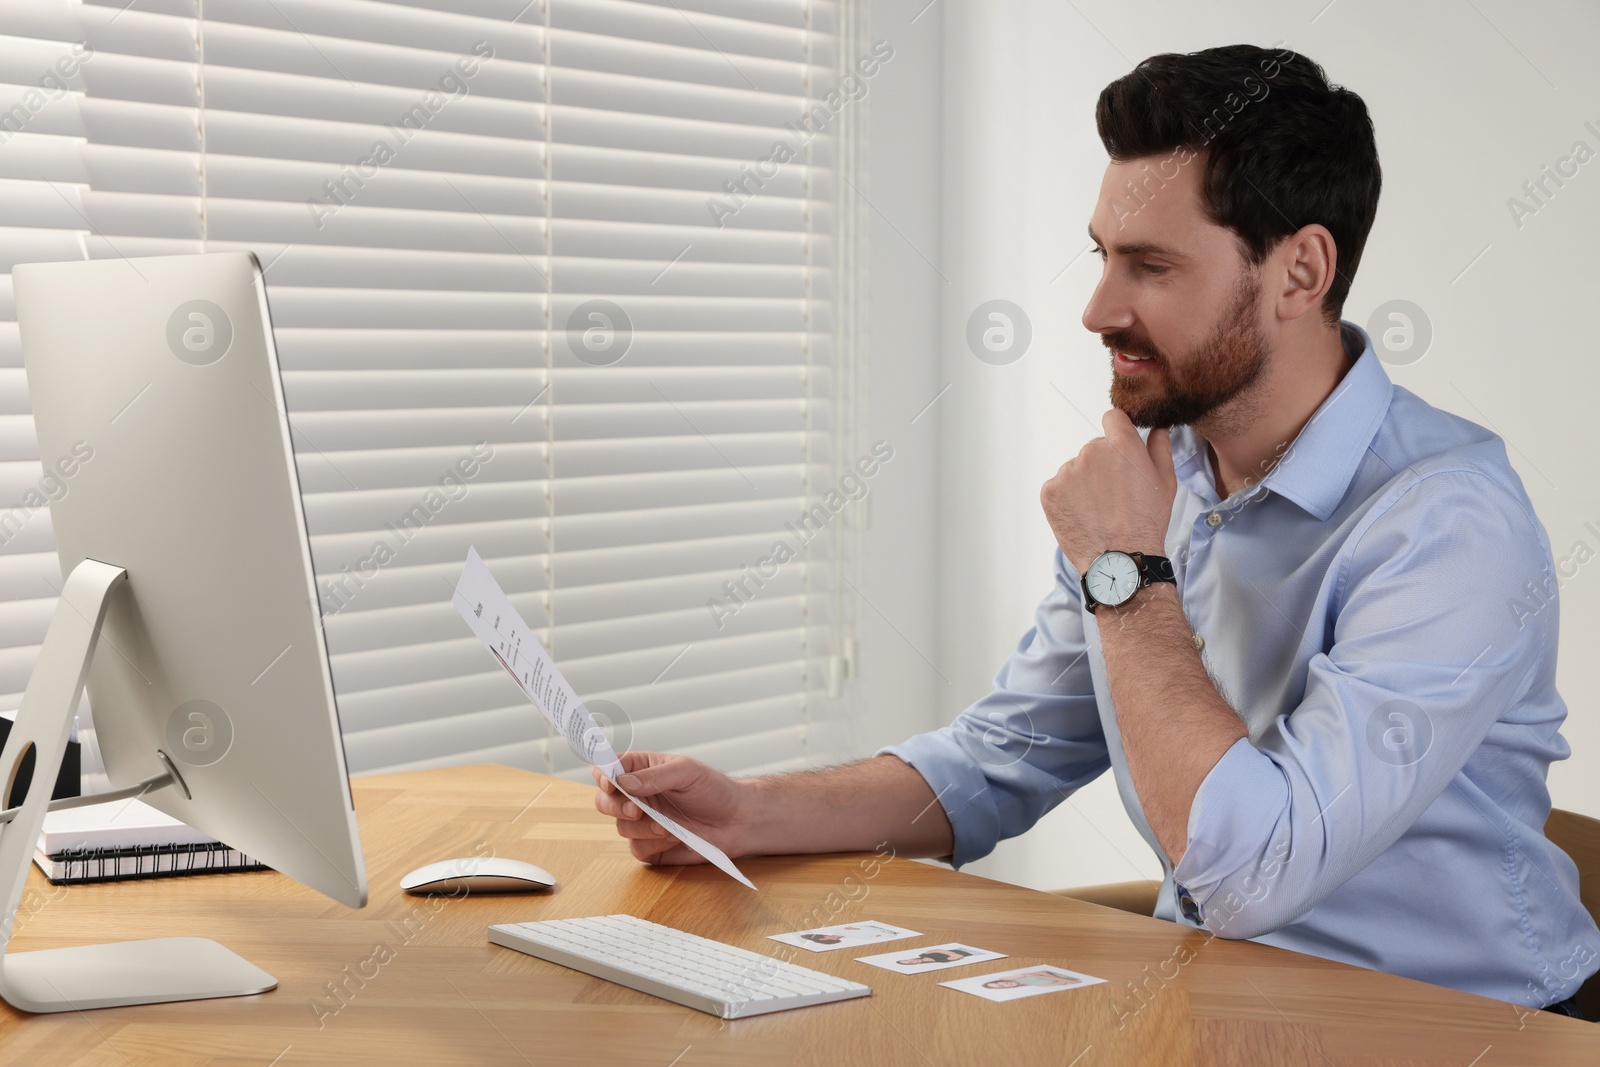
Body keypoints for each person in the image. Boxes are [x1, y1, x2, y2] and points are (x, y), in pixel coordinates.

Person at [592, 43, 1600, 1019]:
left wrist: (1125, 568)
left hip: (1453, 1029)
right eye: (1101, 255)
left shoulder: (1446, 524)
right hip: (1215, 1002)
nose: (1095, 308)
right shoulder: (1164, 476)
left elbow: (1252, 874)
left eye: (1150, 266)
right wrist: (748, 811)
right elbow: (999, 759)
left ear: (1298, 272)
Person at [982, 971, 1083, 990]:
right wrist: (1049, 978)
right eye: (1002, 987)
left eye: (999, 984)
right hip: (1069, 976)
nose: (1004, 984)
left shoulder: (1020, 976)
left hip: (1060, 972)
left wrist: (1044, 976)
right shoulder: (1040, 986)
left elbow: (1042, 971)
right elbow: (1074, 982)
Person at [899, 948, 979, 966]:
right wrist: (939, 951)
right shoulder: (941, 961)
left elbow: (937, 949)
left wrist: (939, 950)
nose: (910, 960)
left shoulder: (923, 954)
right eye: (909, 962)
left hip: (962, 947)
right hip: (974, 952)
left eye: (906, 959)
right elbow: (959, 956)